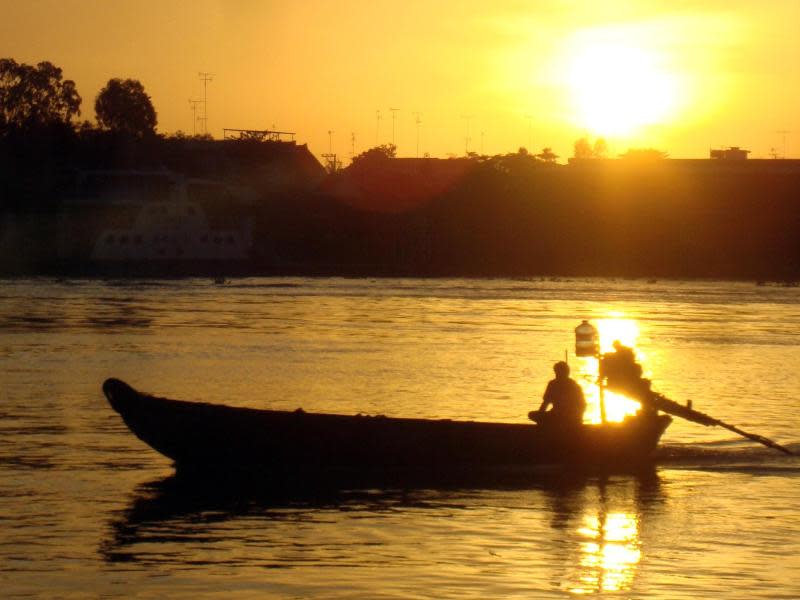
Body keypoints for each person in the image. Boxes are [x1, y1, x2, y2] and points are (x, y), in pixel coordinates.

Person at [529, 361, 586, 427]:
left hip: (565, 417)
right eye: (556, 372)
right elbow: (583, 405)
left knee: (533, 415)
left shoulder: (554, 384)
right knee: (532, 414)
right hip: (563, 417)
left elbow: (545, 404)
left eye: (558, 372)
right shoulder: (574, 385)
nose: (556, 374)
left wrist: (540, 417)